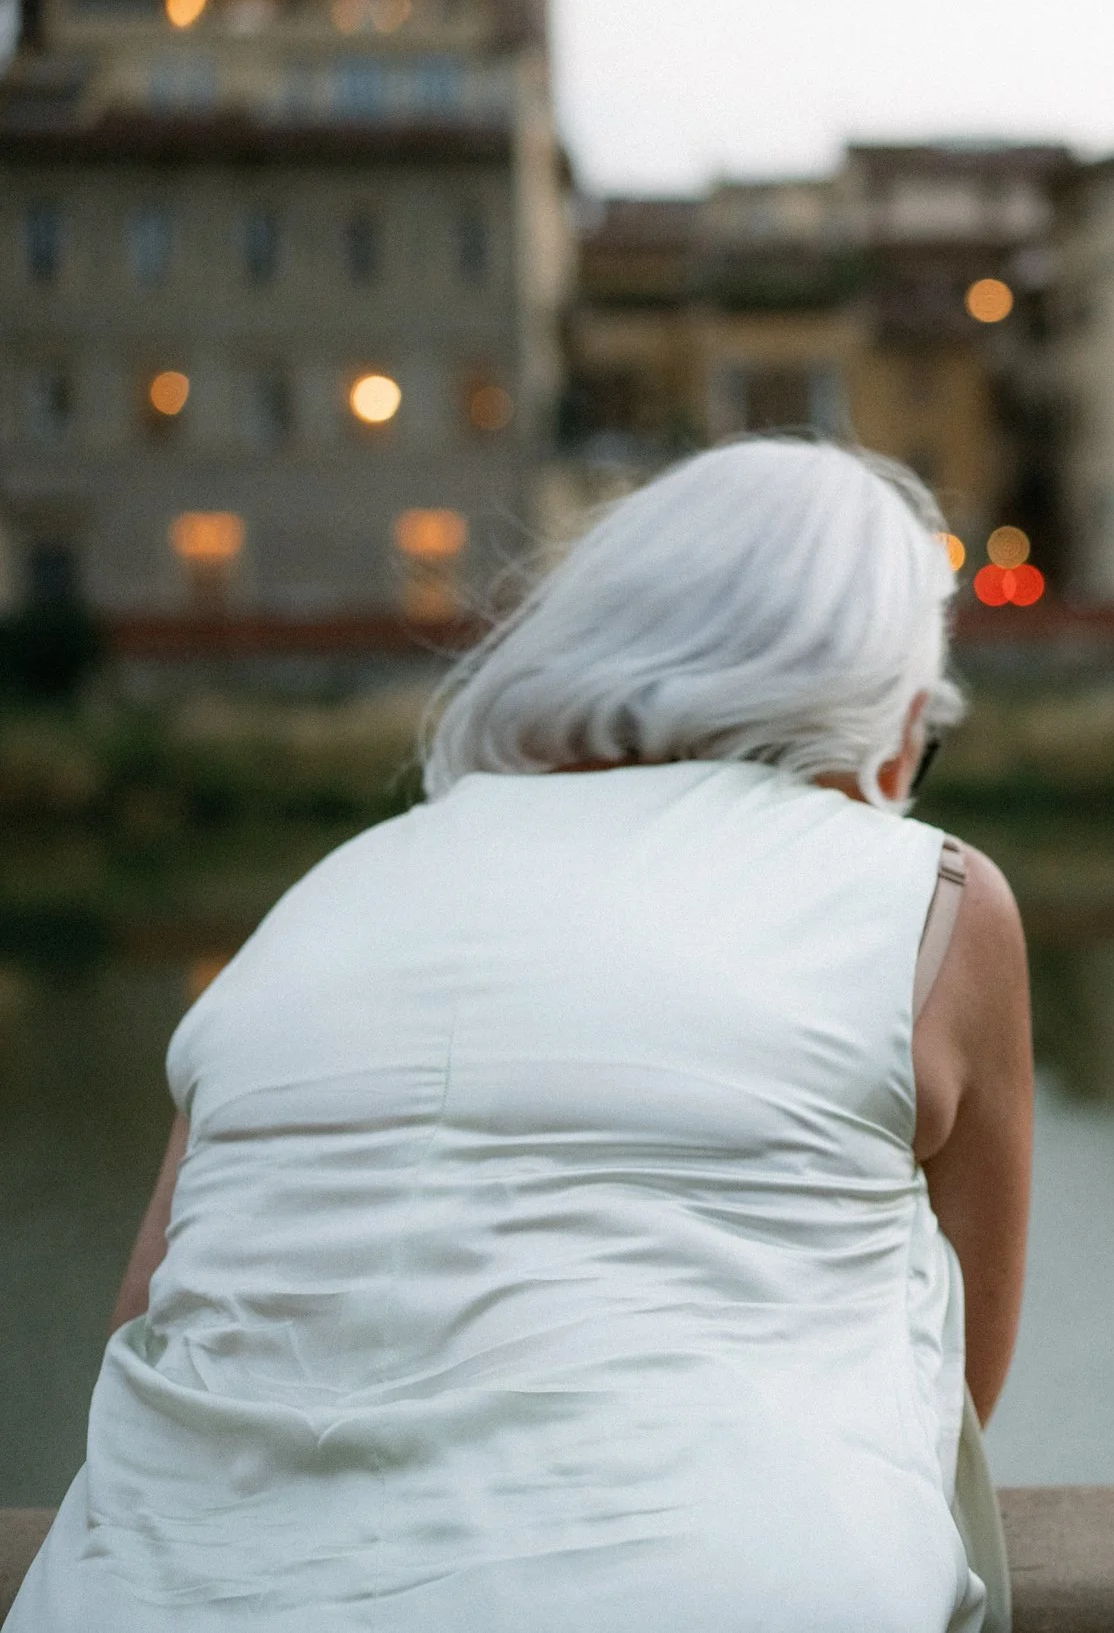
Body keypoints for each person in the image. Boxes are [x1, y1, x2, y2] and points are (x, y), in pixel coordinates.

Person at [6, 441, 1033, 1633]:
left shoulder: (320, 900)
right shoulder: (929, 896)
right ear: (887, 719)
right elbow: (957, 1384)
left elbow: (147, 1331)